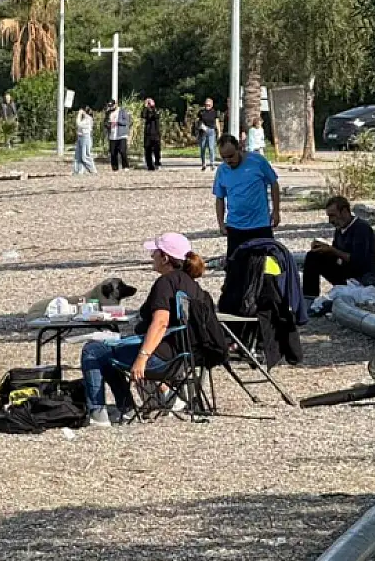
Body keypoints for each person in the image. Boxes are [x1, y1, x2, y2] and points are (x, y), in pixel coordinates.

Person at [79, 233, 208, 426]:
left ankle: (99, 414)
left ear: (165, 258)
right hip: (184, 358)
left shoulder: (165, 283)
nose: (151, 256)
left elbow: (161, 322)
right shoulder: (192, 285)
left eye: (155, 252)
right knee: (107, 352)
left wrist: (142, 357)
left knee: (93, 350)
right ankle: (127, 408)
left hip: (161, 359)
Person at [303, 196, 375, 306]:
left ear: (344, 212)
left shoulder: (361, 228)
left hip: (363, 279)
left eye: (333, 216)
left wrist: (331, 249)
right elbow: (336, 254)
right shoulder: (340, 229)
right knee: (313, 256)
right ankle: (309, 300)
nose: (331, 221)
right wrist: (322, 249)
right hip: (346, 273)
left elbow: (358, 261)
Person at [214, 134, 281, 258]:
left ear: (239, 148)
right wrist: (221, 224)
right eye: (224, 158)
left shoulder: (258, 161)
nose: (228, 161)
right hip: (235, 226)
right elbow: (219, 198)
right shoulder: (222, 170)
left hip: (260, 224)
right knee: (236, 264)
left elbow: (274, 183)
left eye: (231, 156)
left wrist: (276, 211)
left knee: (267, 262)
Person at [107, 100, 132, 171]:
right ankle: (115, 168)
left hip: (121, 135)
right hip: (112, 136)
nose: (111, 107)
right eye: (110, 106)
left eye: (112, 106)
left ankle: (125, 166)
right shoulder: (108, 112)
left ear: (116, 104)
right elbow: (105, 122)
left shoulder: (122, 111)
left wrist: (117, 122)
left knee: (122, 151)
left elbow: (127, 121)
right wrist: (108, 124)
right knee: (113, 153)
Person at [196, 98, 220, 169]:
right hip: (203, 131)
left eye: (209, 105)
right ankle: (203, 163)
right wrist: (199, 127)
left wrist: (219, 132)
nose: (207, 106)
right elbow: (197, 121)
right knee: (203, 148)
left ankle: (212, 163)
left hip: (211, 131)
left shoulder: (214, 112)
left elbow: (217, 122)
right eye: (206, 105)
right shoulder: (201, 112)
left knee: (211, 148)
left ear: (212, 105)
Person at [73, 106, 97, 175]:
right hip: (80, 137)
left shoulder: (89, 119)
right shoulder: (84, 118)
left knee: (85, 156)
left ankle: (93, 170)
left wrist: (79, 114)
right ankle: (78, 171)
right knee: (78, 156)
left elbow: (79, 124)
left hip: (85, 137)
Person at [142, 98, 163, 170]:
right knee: (147, 150)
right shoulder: (146, 111)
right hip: (148, 134)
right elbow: (143, 116)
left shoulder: (156, 110)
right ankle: (150, 166)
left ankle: (157, 163)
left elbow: (156, 116)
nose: (149, 103)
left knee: (157, 150)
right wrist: (145, 107)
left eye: (150, 102)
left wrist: (153, 106)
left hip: (156, 134)